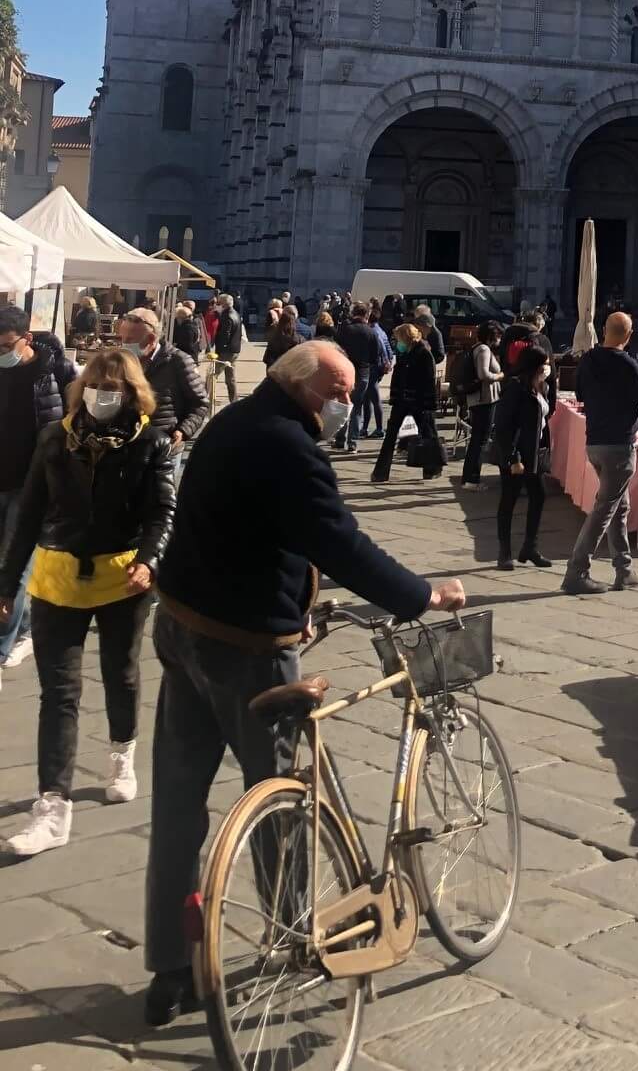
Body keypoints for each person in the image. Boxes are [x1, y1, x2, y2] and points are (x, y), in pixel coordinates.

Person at [142, 341, 464, 1026]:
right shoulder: (290, 447)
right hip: (248, 651)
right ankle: (290, 943)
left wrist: (298, 597)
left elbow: (247, 531)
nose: (348, 404)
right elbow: (338, 541)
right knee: (282, 801)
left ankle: (169, 969)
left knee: (176, 804)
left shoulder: (233, 423)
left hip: (182, 628)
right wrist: (421, 595)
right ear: (307, 390)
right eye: (341, 392)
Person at [0, 348, 175, 856]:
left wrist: (149, 560)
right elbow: (30, 512)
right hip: (58, 578)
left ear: (133, 391)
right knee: (59, 693)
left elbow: (163, 510)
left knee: (120, 672)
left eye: (115, 384)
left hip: (123, 579)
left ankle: (122, 751)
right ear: (82, 387)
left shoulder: (152, 441)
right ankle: (52, 806)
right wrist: (6, 585)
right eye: (97, 382)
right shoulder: (56, 437)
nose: (103, 391)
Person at [563, 311, 638, 595]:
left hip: (595, 443)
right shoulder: (628, 364)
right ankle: (576, 571)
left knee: (619, 505)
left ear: (604, 330)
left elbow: (579, 394)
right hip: (620, 445)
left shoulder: (589, 360)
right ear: (628, 337)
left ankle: (624, 569)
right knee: (604, 509)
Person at [0, 307, 67, 686]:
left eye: (7, 346)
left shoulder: (51, 373)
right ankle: (25, 629)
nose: (2, 353)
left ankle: (3, 645)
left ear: (27, 338)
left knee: (15, 564)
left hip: (31, 486)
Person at [114, 307, 210, 474]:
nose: (125, 344)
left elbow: (200, 402)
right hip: (128, 444)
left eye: (130, 340)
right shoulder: (122, 360)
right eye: (123, 338)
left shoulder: (178, 361)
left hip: (165, 447)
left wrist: (183, 431)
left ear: (151, 339)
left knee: (160, 498)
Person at [492, 344, 553, 569]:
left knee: (539, 496)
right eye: (544, 364)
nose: (547, 368)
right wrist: (513, 458)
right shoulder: (515, 388)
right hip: (516, 454)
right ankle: (504, 551)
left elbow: (543, 418)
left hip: (535, 452)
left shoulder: (541, 387)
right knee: (509, 499)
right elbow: (504, 426)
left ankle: (530, 546)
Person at [370, 323, 444, 482]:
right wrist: (395, 397)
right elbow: (398, 377)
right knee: (390, 436)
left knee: (428, 435)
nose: (397, 343)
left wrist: (427, 404)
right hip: (402, 402)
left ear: (407, 338)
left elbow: (428, 381)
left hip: (419, 403)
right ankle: (380, 472)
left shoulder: (424, 353)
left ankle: (432, 468)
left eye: (399, 339)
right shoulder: (405, 354)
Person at [333, 305, 383, 457]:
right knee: (356, 407)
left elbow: (336, 348)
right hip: (363, 373)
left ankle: (340, 438)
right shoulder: (371, 332)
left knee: (343, 404)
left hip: (344, 371)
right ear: (366, 315)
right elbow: (376, 356)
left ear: (353, 314)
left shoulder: (345, 329)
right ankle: (352, 442)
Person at [460, 322, 504, 488]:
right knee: (480, 440)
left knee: (477, 439)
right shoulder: (484, 350)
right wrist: (500, 375)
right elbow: (483, 374)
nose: (500, 340)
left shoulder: (477, 348)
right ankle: (472, 478)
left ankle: (468, 477)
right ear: (491, 336)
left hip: (480, 399)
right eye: (498, 336)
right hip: (483, 399)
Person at [207, 293, 242, 411]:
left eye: (219, 303)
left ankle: (207, 399)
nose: (217, 305)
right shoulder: (235, 313)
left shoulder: (227, 316)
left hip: (226, 351)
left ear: (223, 304)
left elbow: (225, 334)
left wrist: (220, 348)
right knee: (230, 377)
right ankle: (234, 400)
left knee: (213, 375)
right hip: (234, 350)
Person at [361, 313, 392, 440]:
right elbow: (388, 349)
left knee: (373, 398)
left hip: (374, 367)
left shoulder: (374, 332)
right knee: (368, 398)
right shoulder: (380, 330)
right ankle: (365, 427)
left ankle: (378, 428)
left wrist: (384, 363)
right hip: (377, 367)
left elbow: (382, 350)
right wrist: (388, 361)